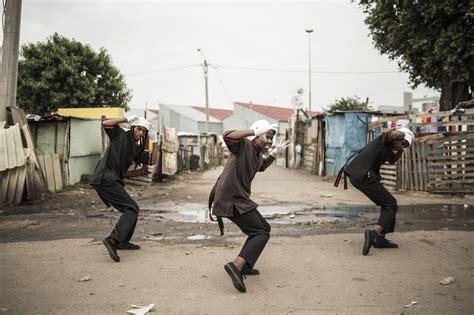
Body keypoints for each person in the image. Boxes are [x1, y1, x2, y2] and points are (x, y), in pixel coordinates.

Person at [209, 120, 289, 293]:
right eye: (267, 137)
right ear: (257, 135)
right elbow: (227, 136)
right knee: (260, 231)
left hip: (238, 198)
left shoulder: (257, 152)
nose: (269, 141)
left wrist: (274, 154)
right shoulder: (244, 145)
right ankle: (236, 266)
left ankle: (245, 265)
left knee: (263, 228)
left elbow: (260, 167)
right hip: (231, 198)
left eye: (271, 138)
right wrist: (252, 130)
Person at [334, 127, 414, 256]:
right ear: (399, 138)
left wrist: (400, 149)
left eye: (405, 146)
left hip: (360, 175)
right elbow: (393, 134)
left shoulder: (389, 148)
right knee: (391, 204)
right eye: (402, 143)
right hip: (362, 175)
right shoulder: (385, 139)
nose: (402, 146)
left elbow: (392, 161)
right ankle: (374, 234)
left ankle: (381, 239)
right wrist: (403, 134)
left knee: (388, 203)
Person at [90, 115, 158, 262]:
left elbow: (153, 160)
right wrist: (125, 118)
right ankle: (113, 240)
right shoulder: (120, 134)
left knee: (133, 208)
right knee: (131, 208)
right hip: (104, 178)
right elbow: (106, 124)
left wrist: (156, 140)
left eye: (144, 131)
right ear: (133, 127)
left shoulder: (138, 146)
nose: (141, 132)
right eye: (139, 128)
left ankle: (122, 241)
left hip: (113, 180)